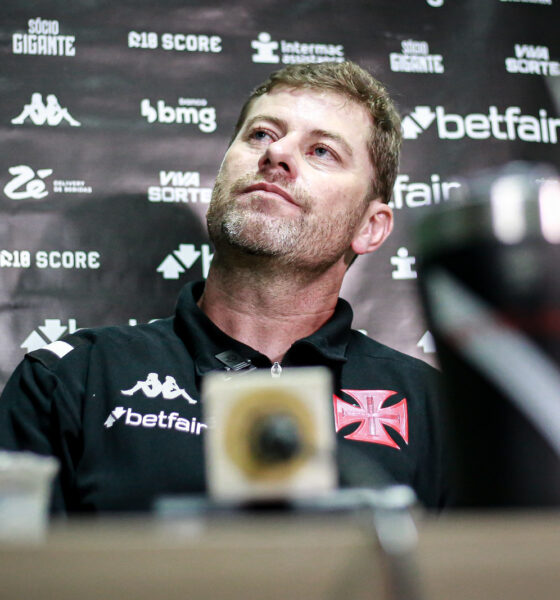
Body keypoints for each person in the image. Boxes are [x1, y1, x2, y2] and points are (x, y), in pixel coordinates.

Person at [0, 61, 446, 513]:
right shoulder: (72, 378)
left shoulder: (435, 409)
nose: (276, 154)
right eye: (261, 135)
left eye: (322, 151)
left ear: (371, 227)